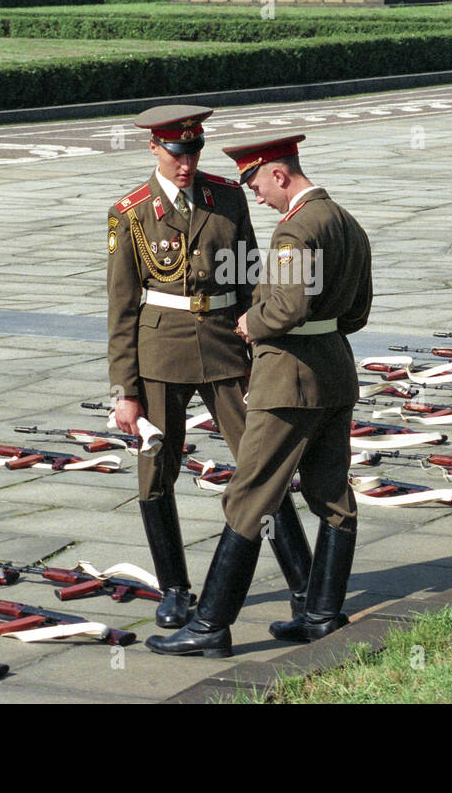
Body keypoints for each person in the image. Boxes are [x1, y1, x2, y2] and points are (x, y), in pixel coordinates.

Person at [147, 134, 373, 658]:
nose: (257, 196)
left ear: (278, 174)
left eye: (256, 185)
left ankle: (210, 625)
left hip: (288, 382)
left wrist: (254, 322)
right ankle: (320, 615)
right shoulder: (345, 221)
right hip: (335, 373)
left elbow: (287, 307)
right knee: (331, 495)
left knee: (248, 496)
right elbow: (358, 310)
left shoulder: (297, 229)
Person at [107, 107, 313, 630]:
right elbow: (122, 308)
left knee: (262, 466)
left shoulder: (226, 197)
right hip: (160, 354)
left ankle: (304, 585)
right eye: (177, 154)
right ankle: (175, 588)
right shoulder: (131, 213)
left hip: (226, 347)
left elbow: (250, 281)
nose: (186, 165)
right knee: (157, 473)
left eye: (193, 153)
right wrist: (124, 390)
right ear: (154, 149)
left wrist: (261, 352)